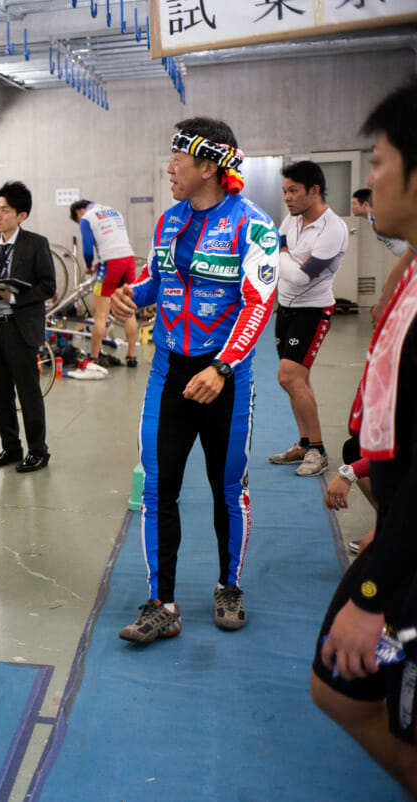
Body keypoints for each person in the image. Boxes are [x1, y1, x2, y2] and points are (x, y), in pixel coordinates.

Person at [110, 117, 279, 644]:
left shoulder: (254, 226)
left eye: (177, 161)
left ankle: (229, 585)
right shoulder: (168, 223)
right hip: (168, 372)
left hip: (226, 376)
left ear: (208, 166)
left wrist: (222, 367)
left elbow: (259, 304)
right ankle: (163, 603)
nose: (169, 168)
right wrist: (131, 296)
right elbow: (158, 281)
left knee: (227, 488)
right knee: (158, 487)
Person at [311, 79, 417, 794]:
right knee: (337, 688)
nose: (369, 179)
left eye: (378, 162)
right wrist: (354, 456)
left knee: (346, 689)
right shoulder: (410, 271)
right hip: (395, 523)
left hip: (407, 547)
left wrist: (375, 590)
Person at [0, 181, 55, 470]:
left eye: (5, 209)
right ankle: (11, 447)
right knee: (0, 393)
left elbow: (48, 287)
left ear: (21, 215)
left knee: (28, 393)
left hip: (21, 328)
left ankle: (38, 450)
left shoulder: (36, 244)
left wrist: (14, 295)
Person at [267, 161, 348, 477]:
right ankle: (304, 443)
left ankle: (318, 450)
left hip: (313, 311)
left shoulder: (333, 230)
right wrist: (282, 252)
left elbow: (301, 279)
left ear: (314, 191)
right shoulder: (291, 219)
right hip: (284, 307)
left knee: (288, 377)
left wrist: (282, 253)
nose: (287, 198)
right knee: (297, 381)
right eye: (285, 191)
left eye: (293, 191)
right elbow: (276, 245)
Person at [69, 199, 140, 372]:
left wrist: (88, 264)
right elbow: (114, 240)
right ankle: (131, 356)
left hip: (110, 263)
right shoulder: (114, 211)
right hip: (128, 259)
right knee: (129, 310)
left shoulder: (87, 217)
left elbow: (87, 249)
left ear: (78, 211)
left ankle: (93, 357)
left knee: (100, 314)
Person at [352, 187, 417, 329]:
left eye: (355, 203)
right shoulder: (375, 221)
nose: (352, 207)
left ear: (365, 205)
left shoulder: (382, 219)